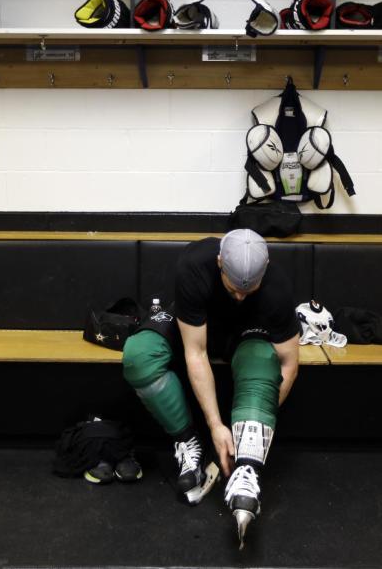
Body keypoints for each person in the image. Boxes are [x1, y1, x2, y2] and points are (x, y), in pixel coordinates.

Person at [122, 229, 300, 546]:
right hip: (196, 328)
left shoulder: (277, 287)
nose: (241, 296)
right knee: (138, 356)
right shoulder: (194, 265)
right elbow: (196, 353)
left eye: (250, 290)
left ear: (267, 266)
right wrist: (216, 426)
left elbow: (289, 364)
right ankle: (190, 444)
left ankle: (247, 469)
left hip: (247, 335)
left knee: (264, 359)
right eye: (234, 289)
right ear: (220, 262)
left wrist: (254, 434)